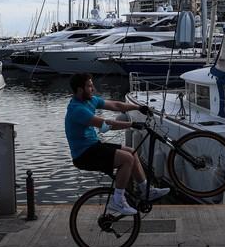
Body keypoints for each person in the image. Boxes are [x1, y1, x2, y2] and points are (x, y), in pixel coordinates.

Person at [64, 72, 170, 215]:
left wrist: (139, 107)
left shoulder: (90, 100)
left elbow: (116, 105)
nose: (93, 88)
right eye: (89, 86)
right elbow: (107, 124)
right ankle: (117, 201)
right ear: (80, 90)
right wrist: (132, 124)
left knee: (131, 152)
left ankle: (147, 191)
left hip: (94, 146)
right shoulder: (77, 110)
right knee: (127, 159)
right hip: (84, 155)